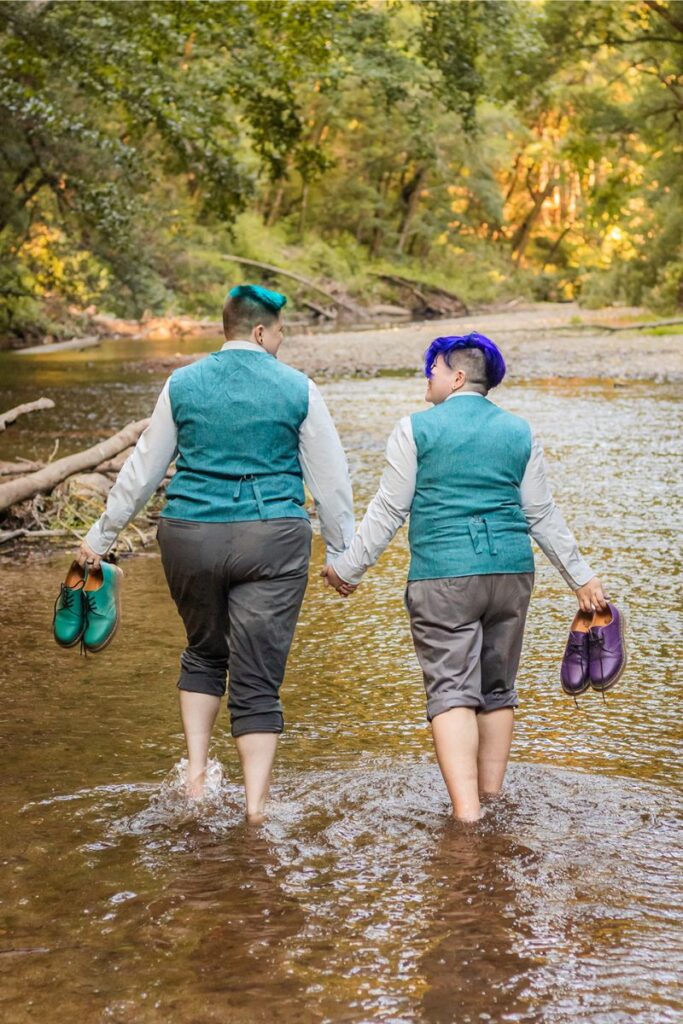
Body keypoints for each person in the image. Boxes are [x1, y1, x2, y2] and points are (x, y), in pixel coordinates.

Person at [77, 284, 354, 819]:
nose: (280, 342)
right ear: (258, 330)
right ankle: (255, 809)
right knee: (258, 675)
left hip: (190, 535)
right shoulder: (299, 388)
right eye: (277, 333)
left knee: (205, 652)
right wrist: (342, 553)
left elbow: (143, 470)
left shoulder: (181, 384)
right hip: (271, 539)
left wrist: (101, 537)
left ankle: (197, 783)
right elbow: (331, 480)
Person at [323, 332, 607, 822]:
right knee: (497, 689)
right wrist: (580, 577)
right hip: (511, 574)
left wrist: (347, 567)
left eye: (431, 370)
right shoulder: (520, 432)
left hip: (443, 577)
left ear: (456, 376)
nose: (425, 380)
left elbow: (390, 509)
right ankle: (492, 800)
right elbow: (540, 514)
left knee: (452, 691)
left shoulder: (415, 430)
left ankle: (467, 816)